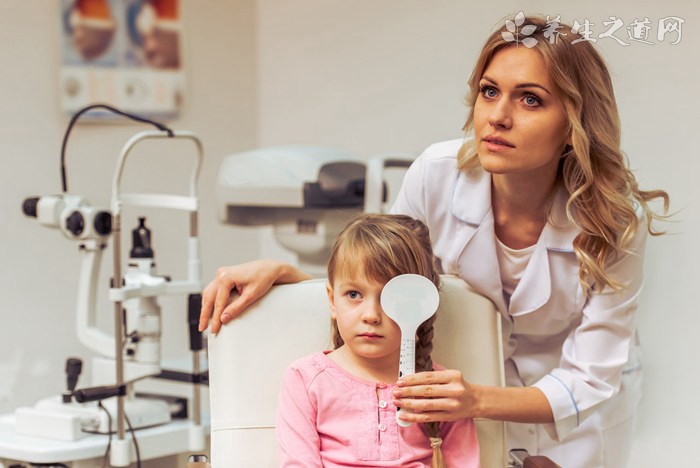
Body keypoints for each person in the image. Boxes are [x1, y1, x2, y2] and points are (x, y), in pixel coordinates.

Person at [199, 15, 669, 468]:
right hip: (460, 403)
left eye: (530, 100)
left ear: (574, 121)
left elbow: (590, 377)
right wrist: (290, 278)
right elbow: (381, 276)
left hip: (574, 416)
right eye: (489, 92)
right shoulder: (437, 174)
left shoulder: (614, 220)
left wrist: (477, 399)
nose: (498, 117)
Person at [276, 214, 480, 467]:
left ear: (420, 306)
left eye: (389, 298)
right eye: (353, 294)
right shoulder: (304, 379)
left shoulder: (443, 389)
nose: (371, 315)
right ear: (332, 300)